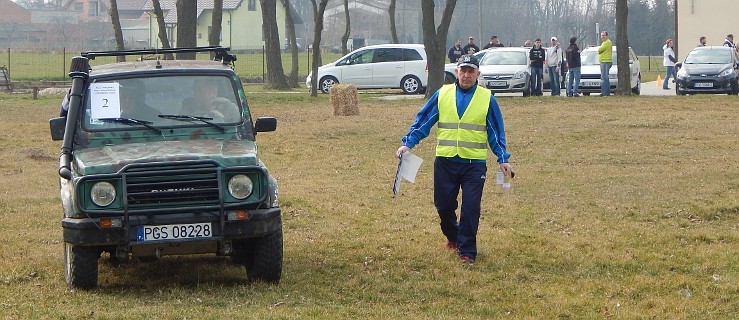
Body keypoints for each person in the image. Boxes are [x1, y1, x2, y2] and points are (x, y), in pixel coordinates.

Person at [395, 54, 513, 265]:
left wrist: (502, 158)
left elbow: (496, 131)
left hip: (474, 165)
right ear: (457, 72)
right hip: (446, 162)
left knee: (470, 208)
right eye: (463, 71)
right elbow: (424, 121)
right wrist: (408, 143)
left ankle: (467, 251)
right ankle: (453, 236)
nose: (467, 75)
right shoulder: (443, 94)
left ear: (478, 74)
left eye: (471, 71)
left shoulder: (487, 98)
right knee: (443, 206)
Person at [597, 31, 613, 96]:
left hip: (606, 61)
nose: (602, 37)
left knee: (605, 78)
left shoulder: (607, 42)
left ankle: (606, 92)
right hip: (603, 61)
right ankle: (603, 92)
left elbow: (599, 50)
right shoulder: (604, 43)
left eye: (604, 35)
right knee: (603, 78)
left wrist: (600, 51)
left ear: (607, 36)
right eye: (601, 35)